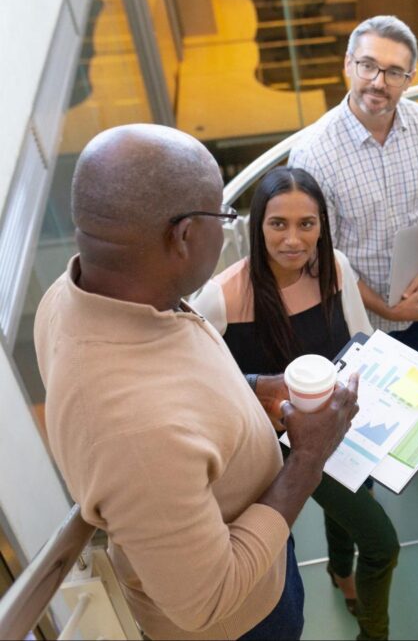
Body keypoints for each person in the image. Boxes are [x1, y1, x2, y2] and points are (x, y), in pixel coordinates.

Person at [34, 124, 358, 640]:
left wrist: (252, 387)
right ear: (184, 236)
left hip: (262, 539)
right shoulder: (134, 432)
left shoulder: (81, 291)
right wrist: (307, 460)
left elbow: (178, 386)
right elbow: (207, 602)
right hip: (245, 622)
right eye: (223, 217)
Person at [192, 166, 399, 640]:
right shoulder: (220, 298)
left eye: (306, 224)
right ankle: (374, 633)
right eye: (278, 223)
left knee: (353, 505)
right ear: (257, 225)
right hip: (282, 445)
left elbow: (363, 345)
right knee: (382, 543)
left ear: (322, 225)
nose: (293, 239)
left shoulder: (337, 269)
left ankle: (340, 571)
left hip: (341, 425)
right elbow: (200, 381)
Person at [289, 14, 418, 471]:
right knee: (363, 404)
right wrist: (388, 310)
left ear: (410, 79)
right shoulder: (314, 153)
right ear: (348, 65)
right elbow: (316, 259)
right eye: (368, 66)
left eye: (394, 72)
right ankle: (372, 459)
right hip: (353, 310)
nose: (378, 81)